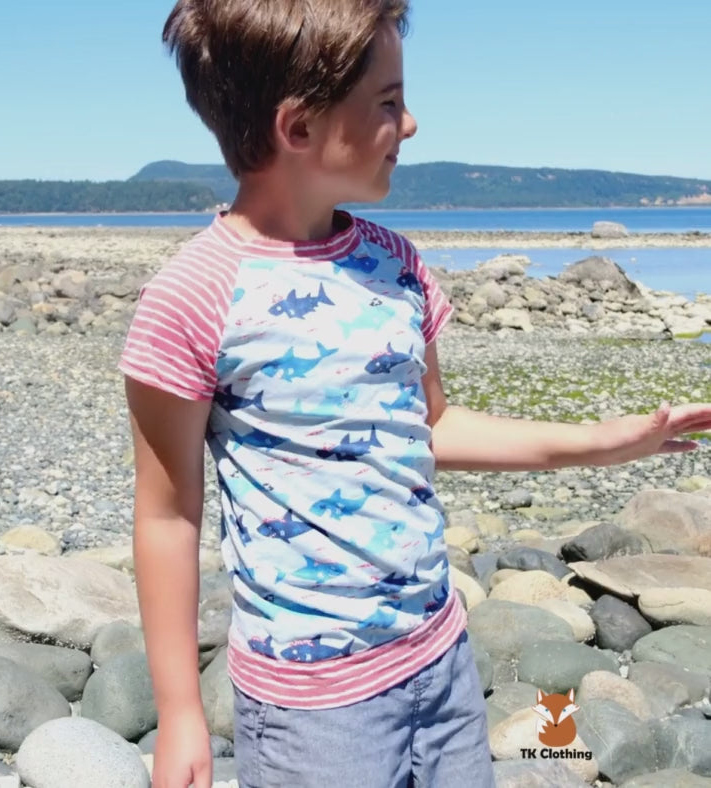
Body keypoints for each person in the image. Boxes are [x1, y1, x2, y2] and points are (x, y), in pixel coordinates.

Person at [118, 1, 711, 786]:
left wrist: (602, 443)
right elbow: (167, 515)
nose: (413, 123)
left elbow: (430, 424)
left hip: (440, 658)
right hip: (313, 709)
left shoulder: (395, 264)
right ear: (299, 127)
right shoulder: (194, 297)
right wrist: (181, 711)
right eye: (389, 103)